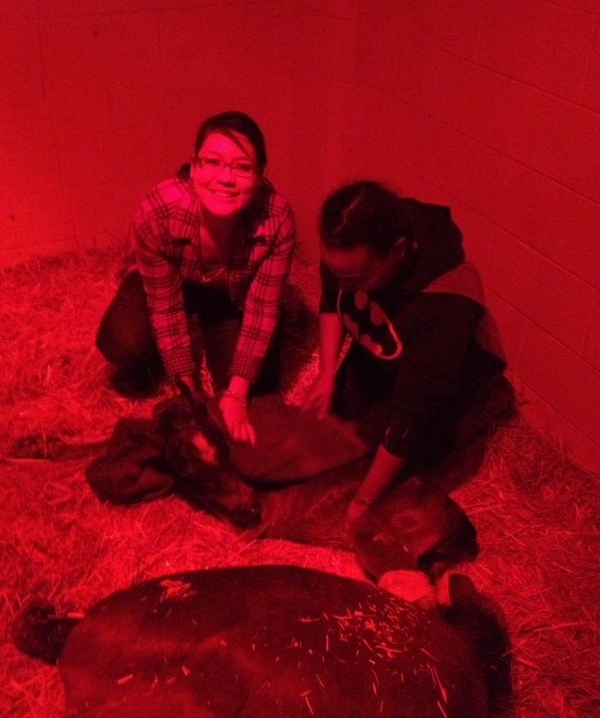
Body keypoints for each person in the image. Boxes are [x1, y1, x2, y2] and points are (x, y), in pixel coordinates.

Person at [304, 181, 513, 525]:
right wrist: (326, 374)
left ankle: (481, 408)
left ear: (398, 251)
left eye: (353, 277)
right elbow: (332, 298)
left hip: (434, 379)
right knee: (333, 432)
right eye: (336, 272)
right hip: (384, 349)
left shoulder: (445, 307)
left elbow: (408, 422)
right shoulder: (352, 243)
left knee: (371, 464)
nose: (342, 285)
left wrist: (363, 501)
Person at [96, 111, 296, 446]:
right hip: (170, 281)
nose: (225, 178)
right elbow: (165, 306)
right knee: (124, 344)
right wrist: (188, 388)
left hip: (229, 294)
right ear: (193, 168)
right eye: (212, 162)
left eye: (243, 167)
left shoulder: (276, 219)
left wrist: (236, 394)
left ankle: (211, 328)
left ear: (260, 176)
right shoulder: (159, 210)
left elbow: (261, 312)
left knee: (254, 391)